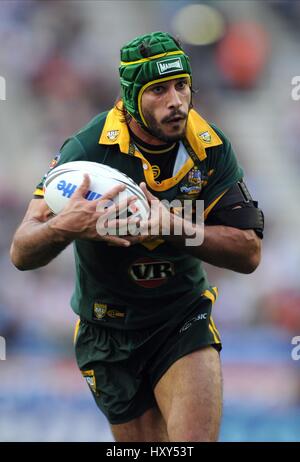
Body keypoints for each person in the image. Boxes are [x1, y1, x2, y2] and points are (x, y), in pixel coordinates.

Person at [10, 31, 264, 442]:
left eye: (182, 85)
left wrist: (172, 226)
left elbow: (249, 252)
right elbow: (22, 250)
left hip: (180, 317)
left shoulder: (211, 147)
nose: (176, 102)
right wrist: (63, 226)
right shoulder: (87, 149)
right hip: (106, 331)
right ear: (131, 97)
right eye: (158, 90)